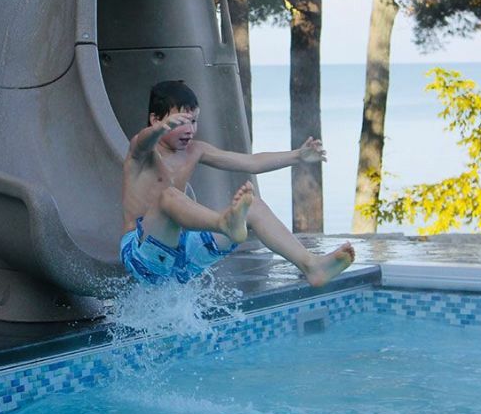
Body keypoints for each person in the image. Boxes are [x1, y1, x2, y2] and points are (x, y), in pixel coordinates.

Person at [120, 79, 355, 286]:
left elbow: (251, 162)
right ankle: (223, 223)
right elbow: (143, 139)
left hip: (182, 255)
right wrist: (161, 129)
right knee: (169, 196)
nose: (190, 129)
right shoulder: (142, 154)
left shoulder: (195, 151)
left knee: (254, 206)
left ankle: (311, 266)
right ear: (155, 119)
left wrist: (297, 156)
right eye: (179, 121)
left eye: (193, 121)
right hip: (141, 255)